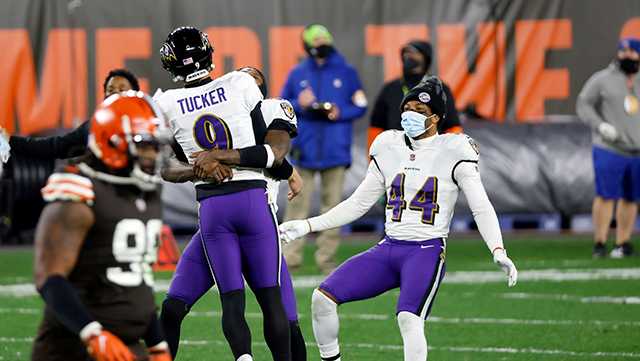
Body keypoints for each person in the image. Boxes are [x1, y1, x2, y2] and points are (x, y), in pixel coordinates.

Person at [279, 76, 518, 361]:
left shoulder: (455, 149)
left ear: (437, 117)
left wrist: (498, 249)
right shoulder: (388, 145)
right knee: (322, 299)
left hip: (426, 250)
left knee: (409, 318)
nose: (411, 114)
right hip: (389, 247)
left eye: (420, 110)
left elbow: (481, 206)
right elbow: (359, 203)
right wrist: (307, 225)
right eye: (409, 107)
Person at [155, 27, 296, 361]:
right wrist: (216, 159)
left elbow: (165, 167)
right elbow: (271, 154)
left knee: (231, 299)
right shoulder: (241, 84)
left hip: (213, 205)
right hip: (253, 199)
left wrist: (206, 161)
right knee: (272, 299)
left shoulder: (165, 103)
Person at [31, 91, 171, 361]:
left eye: (156, 145)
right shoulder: (80, 192)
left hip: (127, 345)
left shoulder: (146, 194)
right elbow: (49, 277)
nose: (154, 154)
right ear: (112, 142)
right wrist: (92, 333)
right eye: (145, 145)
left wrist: (158, 343)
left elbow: (137, 277)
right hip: (73, 348)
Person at [280, 24, 367, 274]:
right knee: (297, 206)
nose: (321, 43)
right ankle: (289, 258)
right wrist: (300, 103)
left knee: (334, 208)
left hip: (335, 149)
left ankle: (326, 259)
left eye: (324, 39)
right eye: (316, 40)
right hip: (304, 150)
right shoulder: (297, 73)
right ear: (306, 44)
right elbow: (281, 105)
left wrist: (341, 111)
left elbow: (360, 105)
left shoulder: (347, 71)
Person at [577, 37, 640, 258]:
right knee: (606, 195)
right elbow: (583, 103)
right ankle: (600, 242)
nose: (626, 56)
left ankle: (623, 242)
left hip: (637, 150)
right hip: (609, 147)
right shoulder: (602, 79)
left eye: (631, 52)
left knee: (631, 198)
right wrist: (600, 125)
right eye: (622, 52)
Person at [0, 69, 140, 161]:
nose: (115, 93)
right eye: (110, 89)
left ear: (135, 95)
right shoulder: (93, 127)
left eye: (122, 89)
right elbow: (56, 146)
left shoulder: (147, 125)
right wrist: (10, 140)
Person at [368, 40, 462, 149]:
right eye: (406, 52)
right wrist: (373, 156)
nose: (409, 56)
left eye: (415, 53)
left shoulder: (439, 88)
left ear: (426, 58)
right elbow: (376, 126)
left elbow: (453, 125)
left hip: (431, 152)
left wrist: (452, 153)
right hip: (395, 153)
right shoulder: (390, 88)